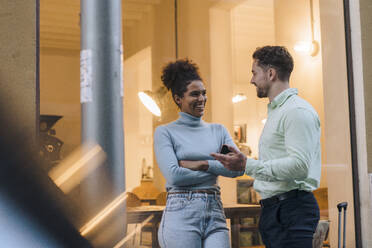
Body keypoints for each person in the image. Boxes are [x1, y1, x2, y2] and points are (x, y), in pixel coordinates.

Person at [211, 46, 321, 248]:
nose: (252, 80)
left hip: (292, 211)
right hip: (274, 211)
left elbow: (299, 166)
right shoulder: (277, 113)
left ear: (271, 74)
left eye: (254, 72)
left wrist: (247, 165)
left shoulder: (296, 111)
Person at [154, 58, 243, 248]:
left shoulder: (219, 130)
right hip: (180, 211)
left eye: (203, 93)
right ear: (178, 98)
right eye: (194, 94)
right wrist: (218, 168)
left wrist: (203, 164)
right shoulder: (165, 132)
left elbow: (237, 169)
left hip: (215, 209)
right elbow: (174, 176)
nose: (201, 99)